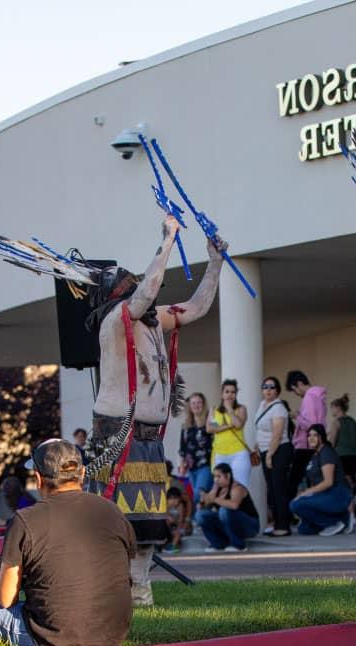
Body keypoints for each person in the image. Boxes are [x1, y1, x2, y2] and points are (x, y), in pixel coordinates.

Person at [85, 217, 225, 607]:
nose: (143, 288)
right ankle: (113, 592)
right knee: (116, 522)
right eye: (130, 284)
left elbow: (196, 307)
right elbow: (145, 294)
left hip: (146, 437)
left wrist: (215, 263)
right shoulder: (116, 320)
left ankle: (140, 591)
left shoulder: (151, 319)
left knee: (147, 521)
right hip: (118, 432)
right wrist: (167, 241)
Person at [0, 438, 135, 646]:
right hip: (112, 637)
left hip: (51, 641)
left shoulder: (25, 519)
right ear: (83, 473)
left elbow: (6, 600)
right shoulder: (112, 511)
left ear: (38, 478)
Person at [289, 424, 353, 536]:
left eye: (315, 435)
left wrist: (306, 492)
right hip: (324, 495)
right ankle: (340, 519)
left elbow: (328, 482)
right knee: (304, 530)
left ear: (322, 437)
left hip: (337, 494)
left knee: (295, 505)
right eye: (309, 435)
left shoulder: (326, 452)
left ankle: (336, 522)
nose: (311, 438)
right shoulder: (315, 455)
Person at [256, 376, 293, 536]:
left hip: (278, 451)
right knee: (272, 490)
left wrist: (270, 455)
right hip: (266, 451)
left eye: (271, 387)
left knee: (279, 490)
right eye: (265, 387)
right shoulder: (263, 405)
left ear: (277, 390)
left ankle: (283, 526)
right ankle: (277, 523)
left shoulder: (278, 407)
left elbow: (277, 434)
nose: (268, 390)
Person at [195, 463, 261, 551]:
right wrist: (202, 502)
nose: (216, 480)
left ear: (228, 475)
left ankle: (238, 545)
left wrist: (213, 499)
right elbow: (208, 501)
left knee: (224, 510)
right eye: (214, 476)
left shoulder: (237, 487)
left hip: (250, 526)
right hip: (231, 526)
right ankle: (218, 544)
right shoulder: (217, 488)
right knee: (200, 515)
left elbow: (234, 505)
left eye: (219, 476)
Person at [286, 370, 326, 495]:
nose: (296, 394)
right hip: (316, 445)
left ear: (299, 383)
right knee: (314, 482)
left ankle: (289, 513)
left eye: (294, 390)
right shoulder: (319, 396)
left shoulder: (309, 396)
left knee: (292, 484)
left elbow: (311, 426)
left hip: (305, 446)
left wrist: (296, 417)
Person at [207, 379, 251, 488]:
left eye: (233, 392)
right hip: (219, 454)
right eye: (227, 392)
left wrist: (230, 410)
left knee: (239, 486)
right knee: (220, 488)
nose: (230, 395)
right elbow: (210, 429)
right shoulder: (214, 410)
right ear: (222, 394)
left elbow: (239, 425)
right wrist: (230, 426)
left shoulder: (241, 409)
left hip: (238, 453)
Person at [179, 392, 213, 503]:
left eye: (199, 402)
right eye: (193, 403)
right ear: (189, 406)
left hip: (206, 466)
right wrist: (182, 466)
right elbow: (182, 449)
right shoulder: (186, 426)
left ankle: (196, 519)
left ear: (203, 404)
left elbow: (219, 435)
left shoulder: (211, 422)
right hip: (191, 468)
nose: (196, 405)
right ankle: (202, 518)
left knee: (198, 495)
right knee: (200, 498)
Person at [327, 394, 356, 485]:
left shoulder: (336, 422)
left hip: (342, 457)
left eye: (332, 407)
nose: (331, 410)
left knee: (343, 483)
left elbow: (332, 444)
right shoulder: (353, 422)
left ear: (338, 408)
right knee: (352, 482)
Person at [164, 486, 191, 553]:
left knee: (178, 532)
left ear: (179, 499)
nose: (173, 501)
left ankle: (173, 546)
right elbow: (165, 518)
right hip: (169, 527)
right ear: (167, 500)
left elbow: (181, 521)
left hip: (179, 526)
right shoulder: (166, 506)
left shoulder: (180, 506)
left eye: (175, 498)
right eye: (170, 499)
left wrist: (179, 529)